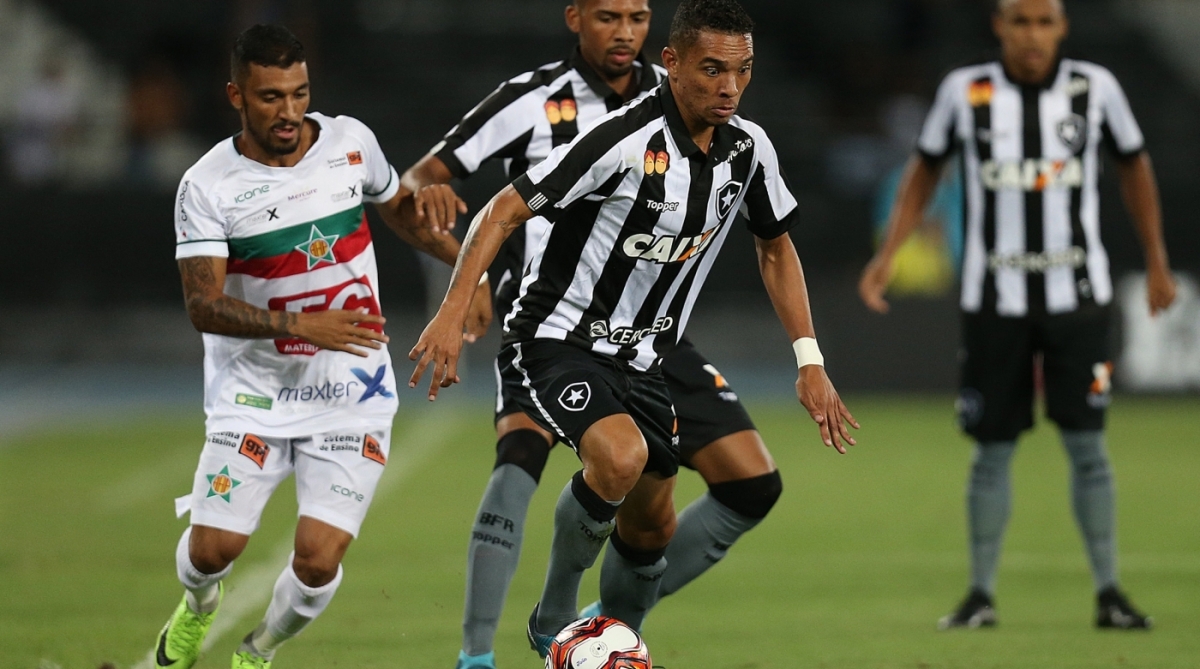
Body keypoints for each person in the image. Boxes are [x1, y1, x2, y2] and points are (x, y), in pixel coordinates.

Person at [410, 0, 858, 660]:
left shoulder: (748, 147)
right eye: (712, 69)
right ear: (672, 64)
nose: (729, 86)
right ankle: (555, 614)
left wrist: (809, 358)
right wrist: (453, 309)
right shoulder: (623, 137)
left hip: (647, 354)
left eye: (742, 71)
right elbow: (505, 208)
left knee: (653, 518)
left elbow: (774, 246)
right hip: (560, 336)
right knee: (618, 456)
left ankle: (613, 640)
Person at [154, 24, 489, 669]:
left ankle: (259, 651)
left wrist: (461, 268)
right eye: (271, 97)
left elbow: (398, 208)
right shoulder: (207, 186)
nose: (289, 112)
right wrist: (301, 326)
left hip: (350, 391)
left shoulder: (349, 141)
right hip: (253, 393)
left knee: (317, 561)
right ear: (236, 96)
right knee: (210, 554)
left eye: (299, 94)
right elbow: (203, 304)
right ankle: (196, 609)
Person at [859, 0, 1175, 630]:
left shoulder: (1096, 89)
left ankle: (1110, 593)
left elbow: (1134, 165)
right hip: (993, 302)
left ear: (1062, 27)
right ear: (999, 26)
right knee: (990, 451)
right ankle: (980, 596)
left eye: (1044, 21)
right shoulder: (964, 92)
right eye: (1020, 21)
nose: (1032, 35)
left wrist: (1157, 259)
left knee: (1088, 447)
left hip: (1078, 300)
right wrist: (890, 251)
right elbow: (925, 168)